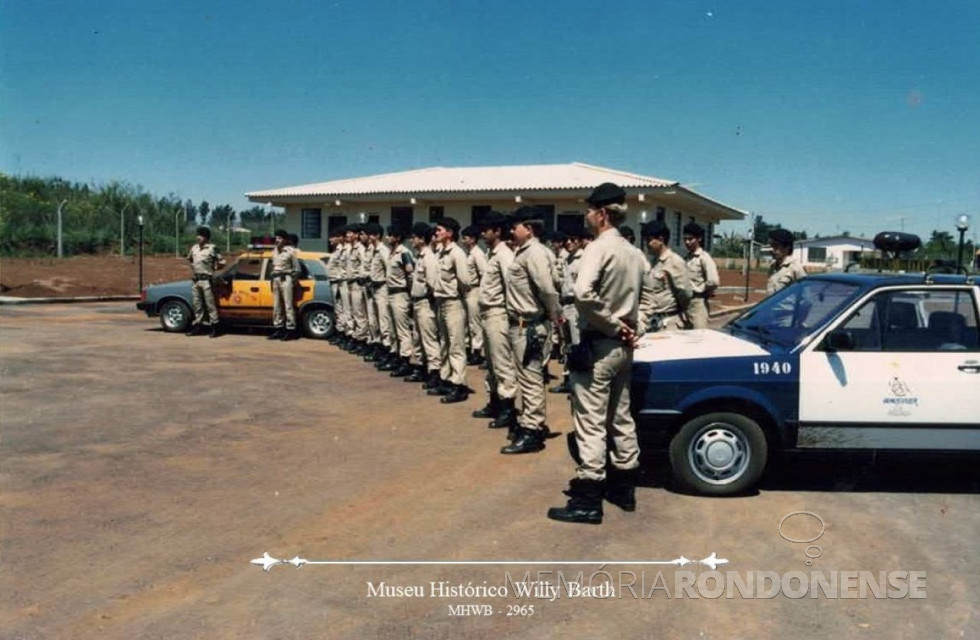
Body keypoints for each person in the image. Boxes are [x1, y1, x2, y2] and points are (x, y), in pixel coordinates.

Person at [548, 182, 654, 525]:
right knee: (620, 416)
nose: (586, 216)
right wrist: (635, 328)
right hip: (623, 348)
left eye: (589, 210)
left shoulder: (598, 248)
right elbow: (650, 297)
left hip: (600, 343)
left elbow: (583, 292)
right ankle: (624, 487)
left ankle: (588, 498)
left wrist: (611, 325)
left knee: (590, 423)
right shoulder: (634, 253)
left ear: (603, 214)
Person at [501, 206, 560, 455]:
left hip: (529, 326)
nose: (512, 230)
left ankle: (532, 430)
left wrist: (553, 315)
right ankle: (531, 423)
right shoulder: (526, 252)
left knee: (530, 378)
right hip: (524, 325)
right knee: (528, 377)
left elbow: (547, 288)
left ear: (530, 228)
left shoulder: (533, 253)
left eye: (516, 226)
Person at [472, 211, 519, 429]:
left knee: (502, 364)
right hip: (487, 314)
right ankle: (494, 402)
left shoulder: (504, 255)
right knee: (490, 363)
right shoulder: (491, 253)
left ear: (498, 231)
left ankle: (508, 409)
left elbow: (511, 286)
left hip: (498, 314)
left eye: (486, 229)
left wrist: (511, 317)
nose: (482, 233)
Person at [428, 217, 471, 404]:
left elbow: (465, 281)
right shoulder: (439, 253)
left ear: (449, 233)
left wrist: (457, 297)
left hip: (453, 303)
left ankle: (459, 385)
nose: (436, 233)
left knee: (456, 347)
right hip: (440, 302)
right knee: (444, 344)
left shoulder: (457, 253)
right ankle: (446, 379)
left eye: (439, 230)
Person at [550, 225, 589, 394]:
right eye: (568, 240)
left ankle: (578, 382)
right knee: (566, 345)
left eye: (573, 240)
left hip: (576, 306)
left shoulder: (583, 259)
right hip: (565, 305)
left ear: (581, 241)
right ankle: (568, 379)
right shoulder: (568, 259)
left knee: (576, 343)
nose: (569, 243)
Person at [642, 220, 692, 332]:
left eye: (649, 240)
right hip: (653, 322)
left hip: (669, 323)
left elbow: (685, 294)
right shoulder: (653, 262)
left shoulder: (674, 262)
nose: (646, 245)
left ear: (660, 240)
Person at [410, 223, 443, 390]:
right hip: (417, 302)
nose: (412, 240)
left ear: (422, 239)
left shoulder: (429, 257)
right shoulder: (420, 256)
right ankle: (422, 368)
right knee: (418, 338)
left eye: (414, 237)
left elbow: (432, 283)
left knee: (429, 340)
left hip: (425, 302)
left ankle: (435, 373)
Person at [384, 225, 417, 377]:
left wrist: (410, 296)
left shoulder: (404, 253)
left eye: (391, 235)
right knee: (392, 329)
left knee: (403, 330)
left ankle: (406, 361)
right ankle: (397, 357)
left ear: (397, 238)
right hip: (390, 294)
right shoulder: (392, 253)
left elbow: (410, 275)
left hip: (400, 294)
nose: (387, 238)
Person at [185, 226, 226, 338]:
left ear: (206, 237)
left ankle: (215, 326)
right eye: (198, 235)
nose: (198, 237)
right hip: (196, 280)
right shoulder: (194, 248)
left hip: (207, 280)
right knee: (197, 304)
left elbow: (222, 262)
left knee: (210, 304)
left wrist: (214, 268)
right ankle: (198, 325)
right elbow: (190, 259)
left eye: (201, 235)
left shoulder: (212, 248)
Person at [682, 222, 720, 329]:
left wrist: (705, 293)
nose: (687, 242)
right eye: (685, 239)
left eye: (690, 239)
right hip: (685, 304)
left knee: (699, 337)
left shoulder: (704, 258)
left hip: (698, 304)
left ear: (699, 238)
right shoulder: (687, 258)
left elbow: (713, 281)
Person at [460, 225, 487, 366]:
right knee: (466, 323)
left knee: (475, 324)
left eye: (465, 238)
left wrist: (482, 295)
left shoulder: (478, 254)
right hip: (466, 292)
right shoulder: (468, 254)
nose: (463, 241)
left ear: (472, 239)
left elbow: (484, 274)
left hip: (475, 291)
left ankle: (477, 352)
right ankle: (469, 350)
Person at [268, 229, 301, 340]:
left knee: (288, 306)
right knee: (276, 306)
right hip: (276, 279)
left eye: (280, 238)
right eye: (276, 238)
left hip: (286, 279)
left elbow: (297, 269)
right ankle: (278, 328)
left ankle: (290, 329)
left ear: (285, 240)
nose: (277, 240)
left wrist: (292, 281)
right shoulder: (274, 251)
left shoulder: (290, 251)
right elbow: (272, 266)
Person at [767, 228, 807, 294]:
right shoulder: (773, 266)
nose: (772, 250)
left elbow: (805, 294)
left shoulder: (795, 267)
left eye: (776, 246)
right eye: (772, 246)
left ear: (787, 247)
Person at [326, 226, 347, 345]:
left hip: (338, 283)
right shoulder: (335, 250)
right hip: (333, 282)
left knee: (341, 310)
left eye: (332, 237)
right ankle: (339, 332)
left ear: (339, 238)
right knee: (338, 310)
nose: (330, 240)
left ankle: (342, 334)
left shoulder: (341, 250)